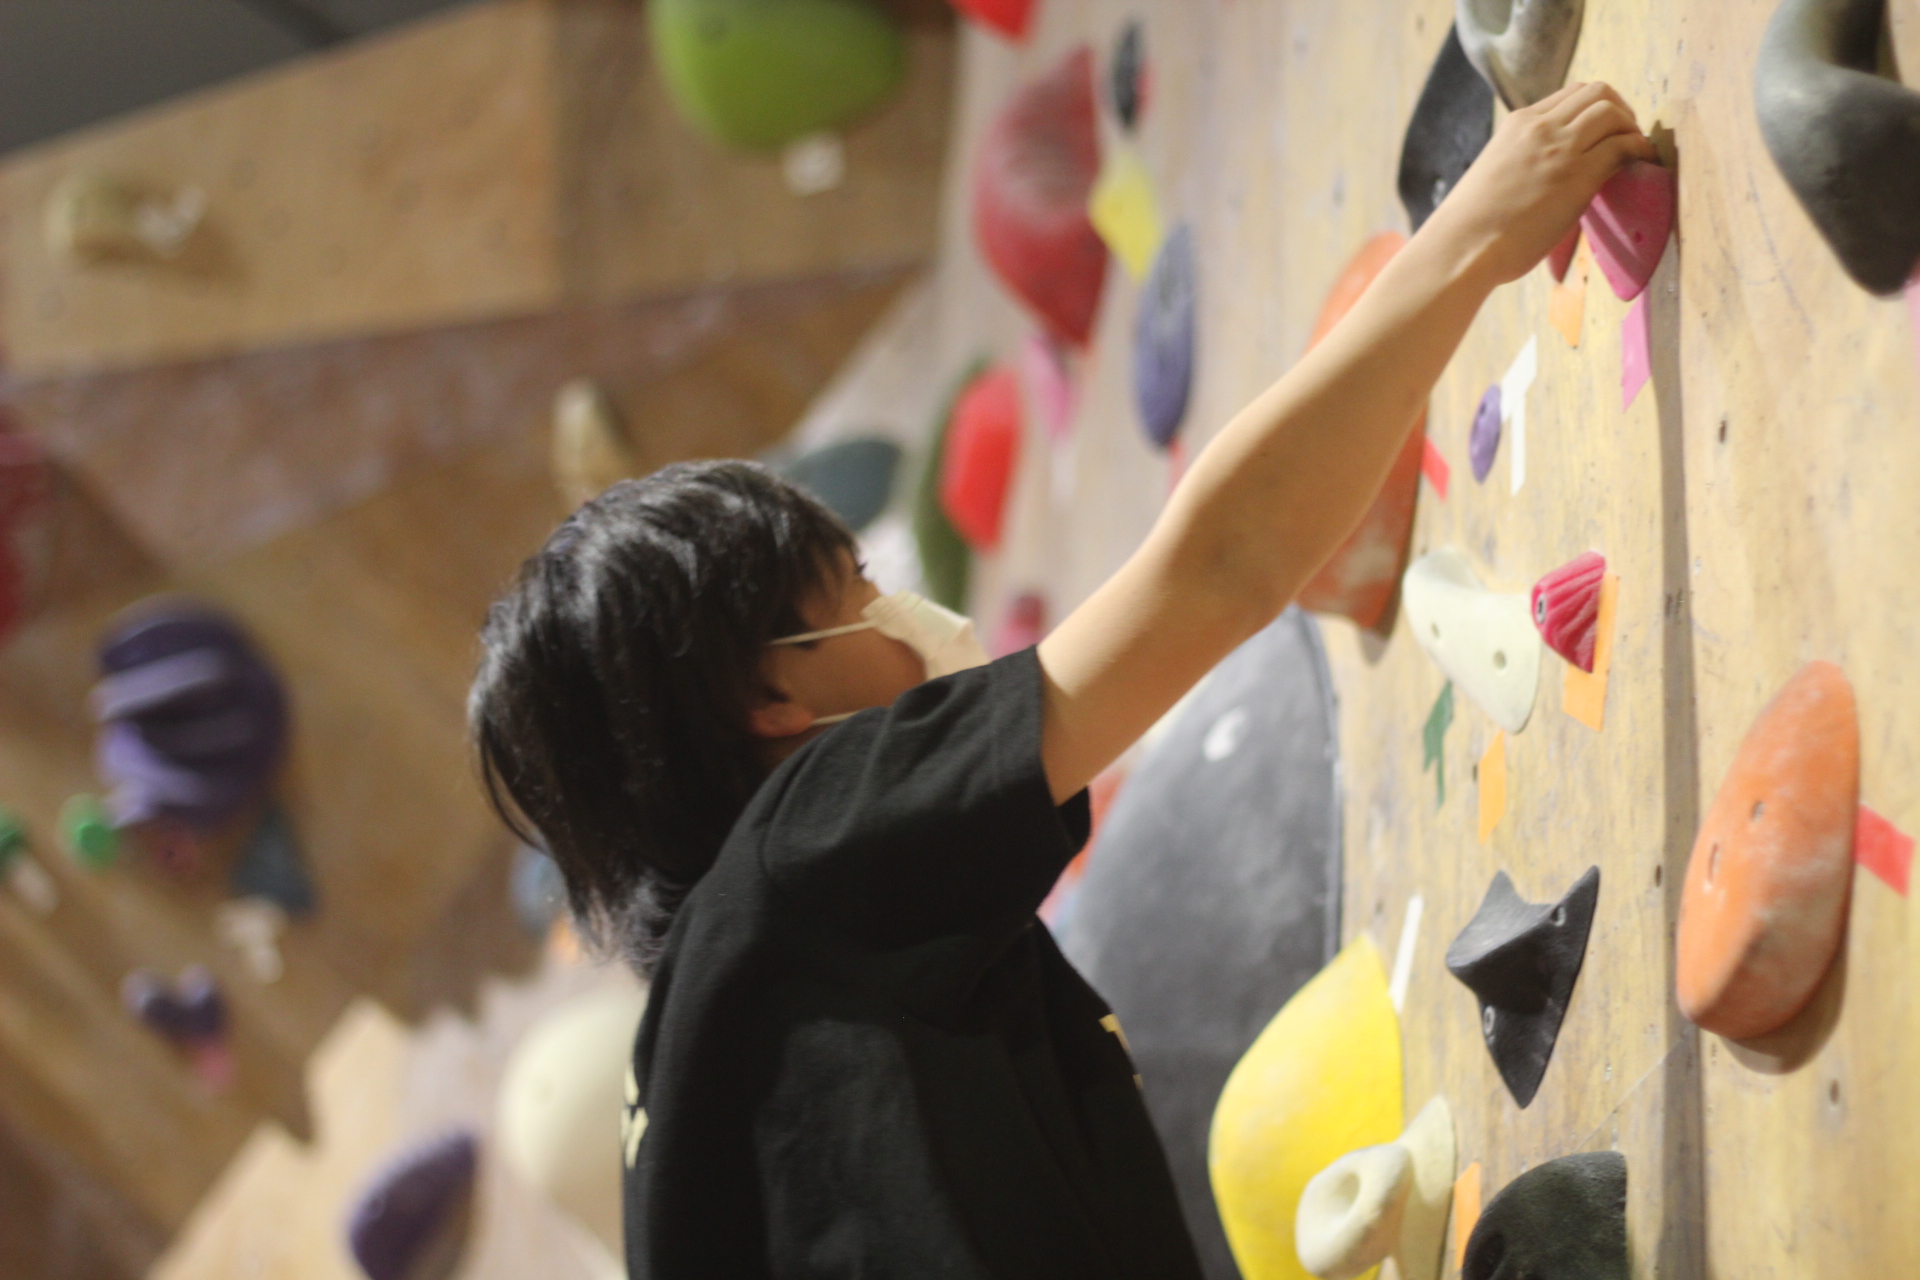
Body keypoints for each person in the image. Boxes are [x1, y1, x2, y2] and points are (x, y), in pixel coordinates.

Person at [470, 82, 1655, 1280]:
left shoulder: (694, 1073)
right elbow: (1222, 567)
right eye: (854, 591)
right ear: (770, 699)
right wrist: (1476, 232)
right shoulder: (804, 853)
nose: (897, 609)